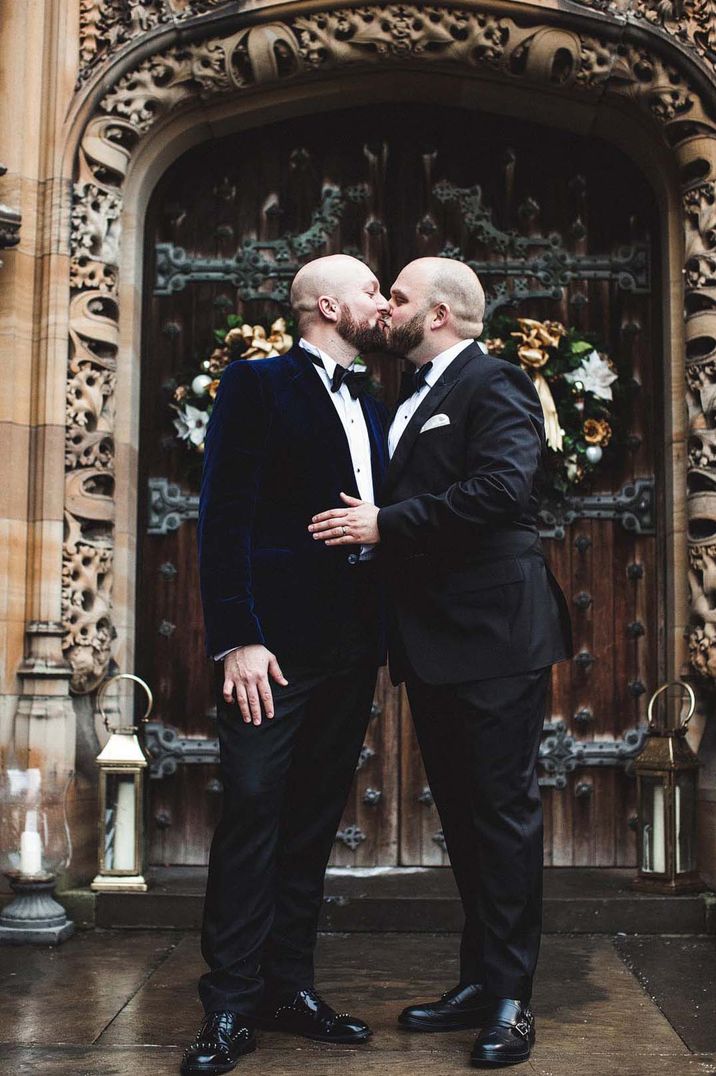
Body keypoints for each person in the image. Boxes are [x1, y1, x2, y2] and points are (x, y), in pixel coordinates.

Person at [309, 257, 572, 1068]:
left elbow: (503, 491)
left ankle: (511, 1001)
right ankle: (476, 980)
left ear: (441, 316)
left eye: (398, 297)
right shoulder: (402, 398)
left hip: (493, 636)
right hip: (434, 645)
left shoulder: (493, 385)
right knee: (463, 816)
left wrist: (390, 522)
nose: (386, 309)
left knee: (500, 816)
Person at [183, 254, 390, 1075]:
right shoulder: (256, 384)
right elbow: (223, 515)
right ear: (330, 305)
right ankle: (228, 1005)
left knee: (311, 819)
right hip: (272, 651)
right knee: (254, 811)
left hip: (352, 647)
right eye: (373, 291)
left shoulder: (372, 401)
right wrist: (237, 637)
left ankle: (287, 986)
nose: (383, 303)